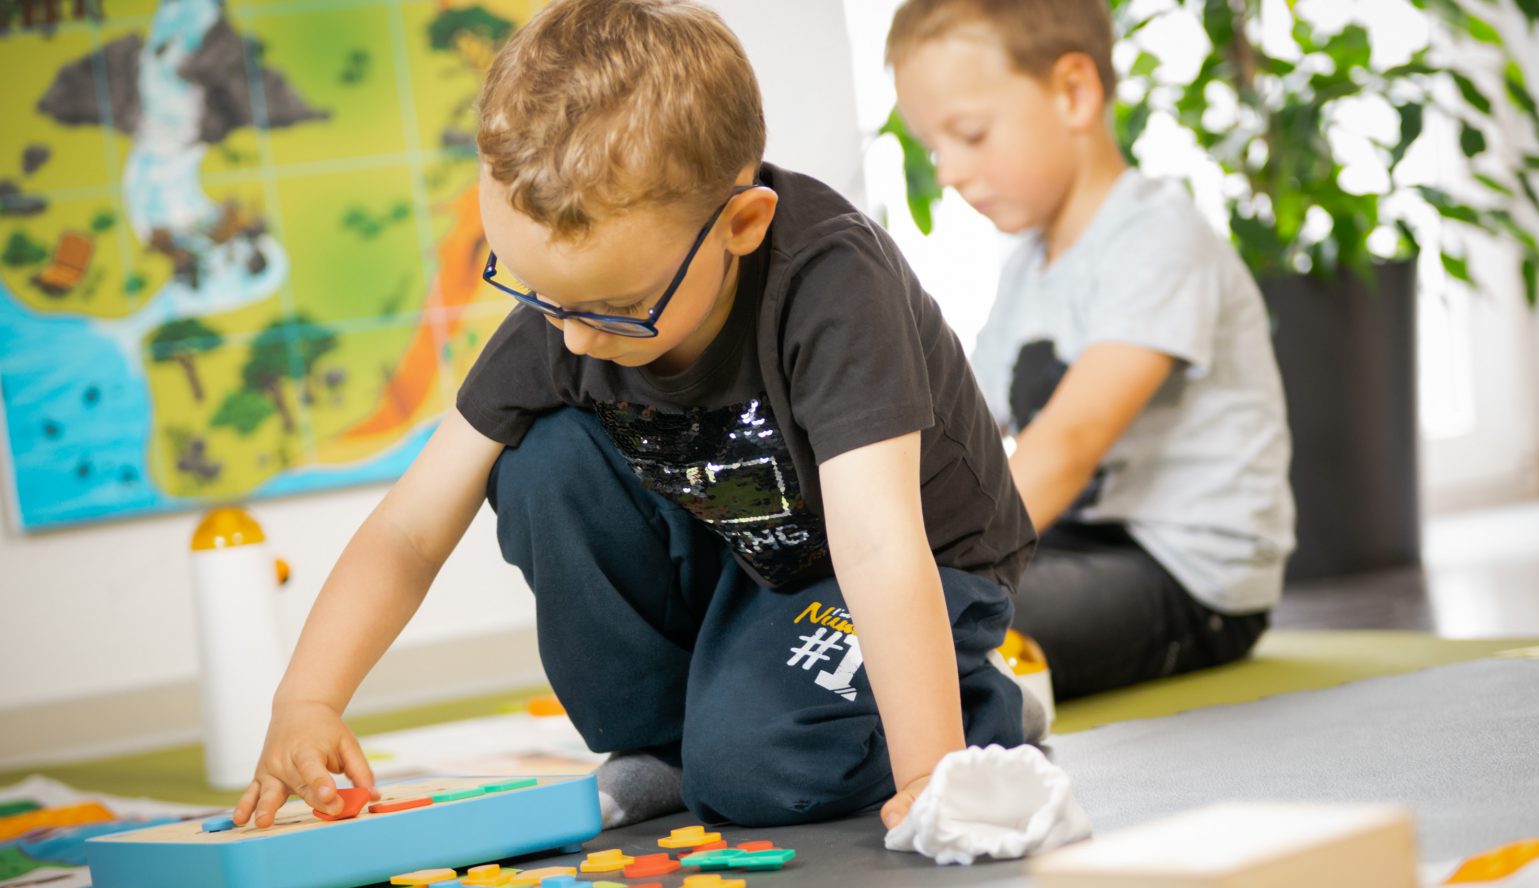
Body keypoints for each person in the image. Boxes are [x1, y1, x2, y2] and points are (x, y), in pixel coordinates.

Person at [234, 0, 1043, 835]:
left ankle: (976, 705)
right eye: (540, 294)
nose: (574, 334)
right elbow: (409, 529)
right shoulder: (568, 313)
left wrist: (934, 774)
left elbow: (877, 544)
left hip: (920, 562)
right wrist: (307, 699)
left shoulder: (830, 283)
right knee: (541, 459)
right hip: (754, 562)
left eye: (615, 307)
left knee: (758, 773)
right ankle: (668, 746)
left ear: (741, 224)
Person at [887, 0, 1295, 699]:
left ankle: (992, 707)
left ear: (1074, 93)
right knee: (869, 616)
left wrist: (928, 571)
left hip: (1189, 577)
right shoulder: (1027, 267)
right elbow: (964, 434)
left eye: (970, 134)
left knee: (935, 623)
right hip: (1072, 547)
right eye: (934, 148)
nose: (948, 170)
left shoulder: (1158, 236)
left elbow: (1070, 440)